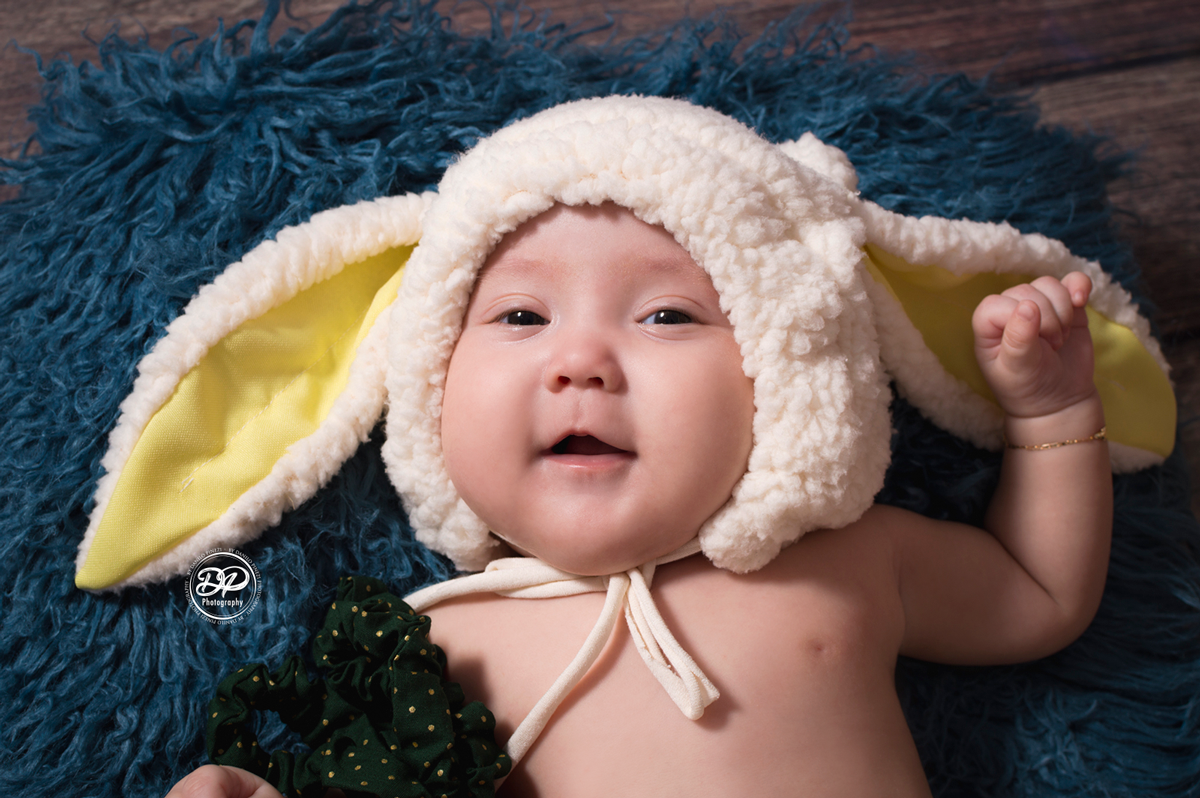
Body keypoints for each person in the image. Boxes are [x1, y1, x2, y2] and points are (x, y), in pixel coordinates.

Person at [166, 97, 1114, 797]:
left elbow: (1039, 594)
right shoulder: (430, 645)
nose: (580, 361)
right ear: (427, 385)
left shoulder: (852, 557)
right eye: (522, 315)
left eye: (667, 314)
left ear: (787, 373)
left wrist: (1052, 414)